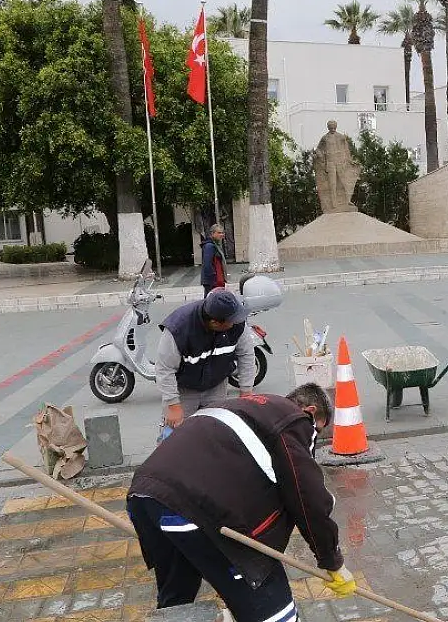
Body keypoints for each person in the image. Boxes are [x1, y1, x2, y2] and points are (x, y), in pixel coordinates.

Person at [126, 385, 356, 619]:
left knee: (177, 606)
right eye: (318, 429)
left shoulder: (237, 407)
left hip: (146, 498)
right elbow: (307, 495)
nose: (312, 437)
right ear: (310, 410)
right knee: (274, 612)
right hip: (197, 508)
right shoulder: (294, 419)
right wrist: (332, 560)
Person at [157, 289, 257, 433]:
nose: (236, 322)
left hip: (217, 386)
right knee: (174, 437)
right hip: (184, 390)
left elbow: (246, 354)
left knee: (215, 434)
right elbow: (164, 369)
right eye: (232, 321)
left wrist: (246, 390)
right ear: (215, 322)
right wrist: (173, 405)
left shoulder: (237, 325)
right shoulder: (179, 328)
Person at [201, 224, 227, 296]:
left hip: (214, 280)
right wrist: (214, 278)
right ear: (212, 233)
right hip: (212, 281)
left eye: (222, 232)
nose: (221, 235)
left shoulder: (215, 245)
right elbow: (207, 264)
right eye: (219, 233)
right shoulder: (210, 246)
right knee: (211, 302)